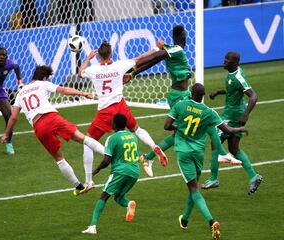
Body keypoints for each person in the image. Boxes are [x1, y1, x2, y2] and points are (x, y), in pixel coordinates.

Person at [128, 25, 237, 177]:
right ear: (182, 36)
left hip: (183, 94)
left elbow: (155, 59)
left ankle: (221, 153)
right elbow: (155, 58)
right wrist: (132, 67)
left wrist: (134, 73)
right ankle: (148, 157)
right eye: (184, 34)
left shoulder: (172, 49)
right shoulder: (176, 50)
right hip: (179, 96)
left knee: (202, 121)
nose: (186, 36)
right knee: (191, 127)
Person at [1, 65, 105, 195]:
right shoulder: (43, 84)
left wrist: (6, 134)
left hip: (39, 126)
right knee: (82, 138)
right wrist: (83, 93)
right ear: (44, 77)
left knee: (59, 158)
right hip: (52, 117)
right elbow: (63, 90)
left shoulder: (20, 93)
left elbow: (13, 117)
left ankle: (78, 186)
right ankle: (109, 154)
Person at [164, 83, 249, 240]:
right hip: (198, 153)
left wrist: (181, 127)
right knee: (194, 186)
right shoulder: (209, 112)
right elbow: (227, 130)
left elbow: (167, 126)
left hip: (183, 152)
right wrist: (239, 129)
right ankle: (184, 219)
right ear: (202, 96)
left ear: (191, 93)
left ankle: (212, 222)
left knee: (194, 189)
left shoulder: (181, 105)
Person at [78, 41, 168, 186]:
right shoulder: (119, 65)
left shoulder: (93, 69)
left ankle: (89, 181)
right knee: (137, 129)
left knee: (87, 142)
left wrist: (88, 58)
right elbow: (140, 58)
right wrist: (156, 48)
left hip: (105, 111)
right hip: (120, 106)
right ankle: (154, 146)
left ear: (98, 57)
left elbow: (80, 73)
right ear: (111, 55)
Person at [201, 51, 263, 195]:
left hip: (233, 115)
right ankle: (254, 176)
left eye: (227, 60)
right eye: (225, 59)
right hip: (233, 113)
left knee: (214, 141)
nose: (224, 61)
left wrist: (245, 115)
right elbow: (233, 89)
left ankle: (214, 178)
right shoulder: (232, 74)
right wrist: (218, 92)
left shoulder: (238, 77)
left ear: (234, 63)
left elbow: (253, 96)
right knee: (234, 148)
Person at [82, 113, 140, 235]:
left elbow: (107, 160)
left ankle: (92, 226)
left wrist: (97, 169)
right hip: (135, 171)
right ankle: (129, 204)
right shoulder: (133, 136)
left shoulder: (112, 138)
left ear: (114, 124)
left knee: (104, 196)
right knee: (118, 197)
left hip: (120, 171)